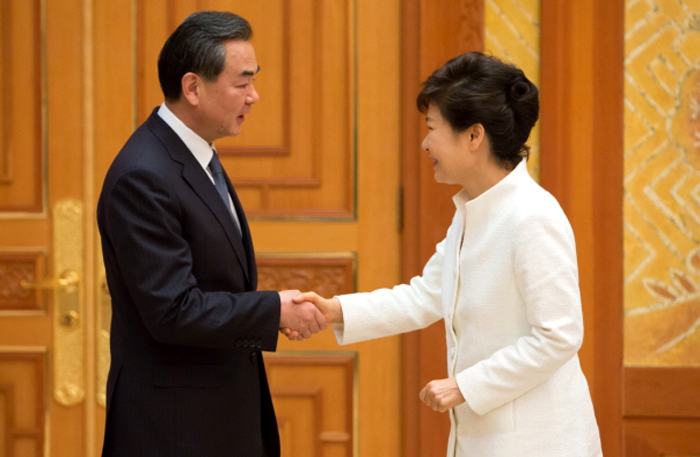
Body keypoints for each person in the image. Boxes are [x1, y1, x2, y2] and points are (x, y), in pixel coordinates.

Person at [290, 52, 603, 456]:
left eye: (432, 128)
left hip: (537, 439)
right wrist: (333, 309)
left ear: (474, 136)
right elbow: (427, 294)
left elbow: (559, 335)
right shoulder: (474, 210)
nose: (425, 143)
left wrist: (464, 385)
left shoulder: (532, 215)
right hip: (484, 438)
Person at [97, 11, 326, 457]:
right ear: (192, 87)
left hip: (215, 416)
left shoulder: (192, 154)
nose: (254, 96)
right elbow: (173, 310)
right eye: (241, 84)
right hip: (174, 427)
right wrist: (272, 310)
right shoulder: (144, 174)